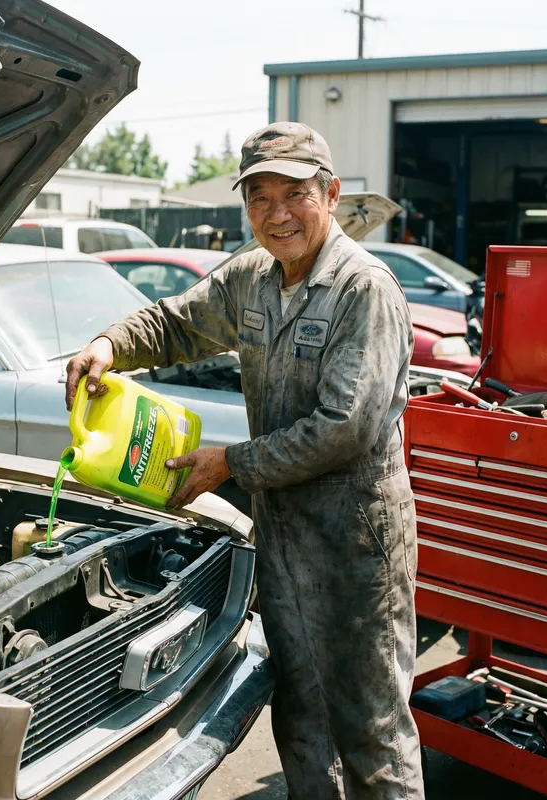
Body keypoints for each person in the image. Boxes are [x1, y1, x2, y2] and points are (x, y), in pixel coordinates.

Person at [66, 122, 424, 800]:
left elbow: (344, 429)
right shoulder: (253, 276)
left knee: (371, 727)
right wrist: (111, 344)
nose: (277, 213)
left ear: (331, 194)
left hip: (357, 544)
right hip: (284, 534)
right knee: (298, 711)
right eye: (259, 198)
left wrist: (229, 463)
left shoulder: (363, 289)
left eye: (295, 193)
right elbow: (175, 323)